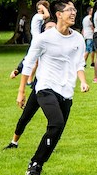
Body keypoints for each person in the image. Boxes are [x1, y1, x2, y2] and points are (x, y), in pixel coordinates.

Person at [18, 0, 89, 175]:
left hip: (66, 91)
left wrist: (82, 81)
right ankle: (35, 163)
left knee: (56, 132)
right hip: (46, 87)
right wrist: (21, 91)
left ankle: (37, 164)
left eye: (74, 10)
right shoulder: (44, 38)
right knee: (56, 123)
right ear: (58, 14)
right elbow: (28, 63)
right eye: (69, 10)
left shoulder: (78, 38)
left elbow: (79, 63)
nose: (73, 13)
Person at [3, 20, 57, 150]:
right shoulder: (40, 44)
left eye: (53, 27)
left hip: (56, 87)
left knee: (54, 119)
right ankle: (14, 142)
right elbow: (27, 60)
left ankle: (51, 144)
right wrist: (17, 71)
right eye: (48, 27)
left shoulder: (59, 46)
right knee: (26, 115)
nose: (50, 29)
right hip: (40, 87)